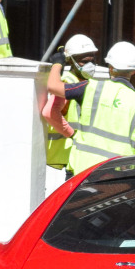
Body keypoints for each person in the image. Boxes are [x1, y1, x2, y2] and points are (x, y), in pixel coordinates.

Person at [46, 40, 135, 174]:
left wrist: (57, 64)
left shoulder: (90, 88)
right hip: (119, 176)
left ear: (110, 67)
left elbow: (53, 86)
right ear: (134, 71)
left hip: (82, 173)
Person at [41, 34, 100, 169]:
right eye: (84, 61)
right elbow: (49, 112)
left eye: (92, 61)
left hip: (73, 157)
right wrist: (72, 135)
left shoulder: (86, 82)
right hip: (63, 157)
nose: (89, 65)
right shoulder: (68, 81)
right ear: (71, 61)